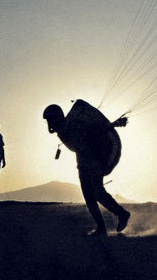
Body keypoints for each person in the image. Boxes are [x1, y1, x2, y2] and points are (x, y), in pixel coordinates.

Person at [43, 100, 130, 237]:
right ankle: (102, 228)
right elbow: (76, 144)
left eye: (50, 119)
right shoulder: (64, 129)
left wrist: (113, 125)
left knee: (97, 192)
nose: (49, 123)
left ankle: (122, 214)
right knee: (89, 198)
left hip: (94, 160)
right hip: (83, 163)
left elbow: (90, 134)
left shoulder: (71, 125)